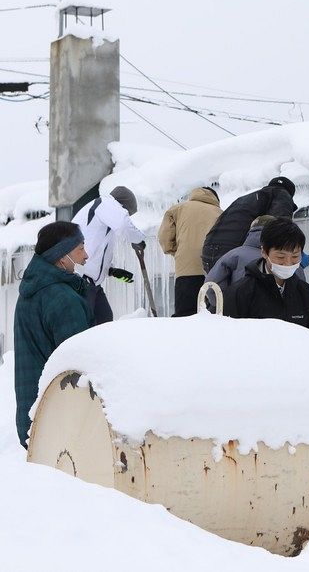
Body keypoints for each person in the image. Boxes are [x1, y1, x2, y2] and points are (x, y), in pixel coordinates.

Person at [13, 221, 95, 448]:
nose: (86, 255)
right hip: (61, 418)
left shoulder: (31, 291)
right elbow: (79, 367)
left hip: (34, 414)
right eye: (80, 248)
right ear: (61, 256)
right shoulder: (62, 300)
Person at [223, 217, 309, 338]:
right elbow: (230, 340)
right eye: (281, 257)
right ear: (264, 252)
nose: (288, 263)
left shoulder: (303, 290)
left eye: (294, 256)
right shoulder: (240, 292)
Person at [71, 186, 146, 324]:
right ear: (122, 205)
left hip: (91, 282)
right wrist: (139, 239)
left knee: (104, 319)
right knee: (83, 326)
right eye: (127, 213)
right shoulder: (106, 203)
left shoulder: (102, 213)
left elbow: (96, 248)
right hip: (80, 280)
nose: (126, 216)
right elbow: (124, 225)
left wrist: (111, 270)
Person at [201, 177, 297, 272]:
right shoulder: (282, 194)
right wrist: (294, 254)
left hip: (208, 252)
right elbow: (282, 227)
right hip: (232, 251)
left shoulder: (246, 199)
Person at [157, 187, 222, 316]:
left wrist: (177, 252)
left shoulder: (177, 209)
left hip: (186, 270)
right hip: (213, 271)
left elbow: (165, 238)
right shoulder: (220, 213)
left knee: (185, 315)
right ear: (215, 199)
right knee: (211, 316)